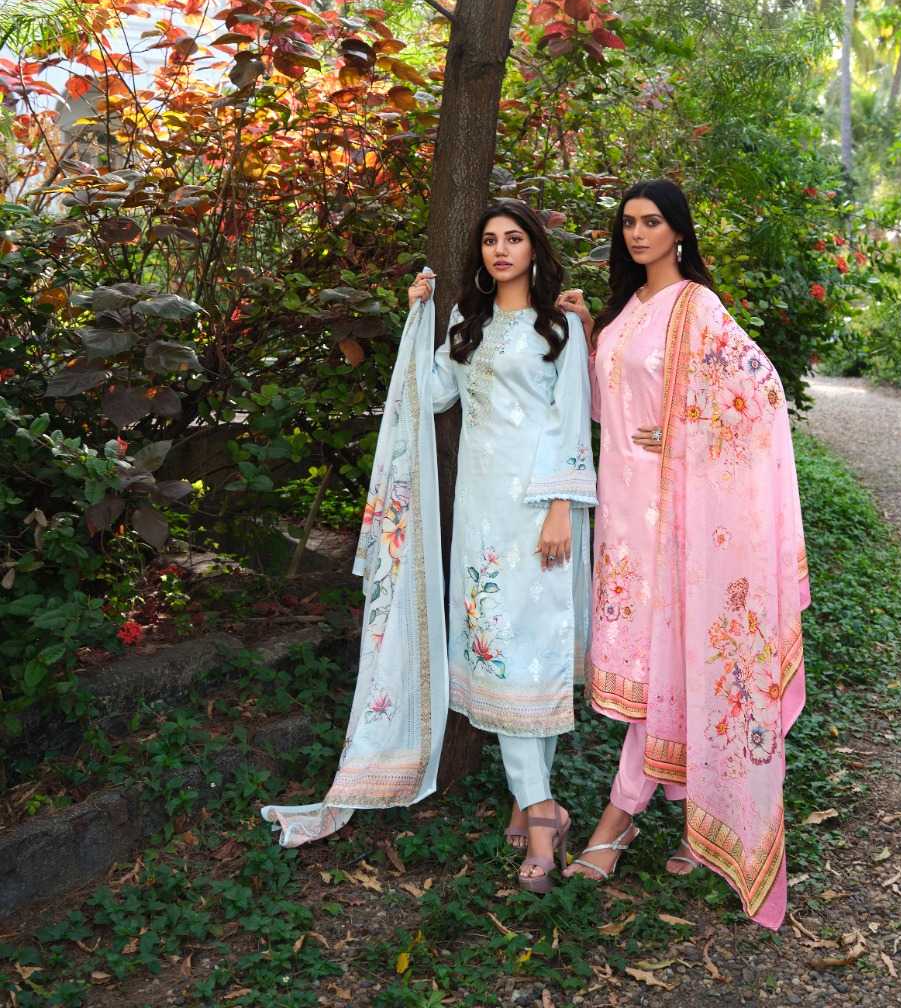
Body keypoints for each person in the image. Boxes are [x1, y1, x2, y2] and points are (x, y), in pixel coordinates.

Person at [263, 199, 595, 895]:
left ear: (534, 250)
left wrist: (563, 507)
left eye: (514, 239)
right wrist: (418, 320)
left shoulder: (559, 327)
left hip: (540, 512)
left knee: (526, 657)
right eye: (490, 240)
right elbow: (432, 394)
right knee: (503, 658)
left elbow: (570, 422)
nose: (500, 250)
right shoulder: (468, 326)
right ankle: (536, 801)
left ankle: (539, 814)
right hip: (479, 517)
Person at [556, 179, 810, 928]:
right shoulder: (626, 310)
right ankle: (697, 810)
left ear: (678, 232)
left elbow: (759, 397)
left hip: (677, 521)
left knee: (667, 664)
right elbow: (607, 409)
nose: (637, 234)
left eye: (652, 222)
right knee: (659, 668)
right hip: (625, 524)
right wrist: (586, 332)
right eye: (629, 223)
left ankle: (618, 818)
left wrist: (689, 431)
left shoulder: (697, 308)